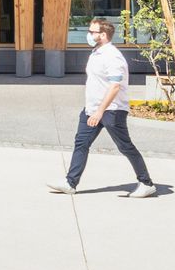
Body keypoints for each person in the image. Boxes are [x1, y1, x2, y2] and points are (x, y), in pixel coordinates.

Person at [48, 18, 156, 197]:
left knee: (125, 146)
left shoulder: (112, 56)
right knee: (81, 143)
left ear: (103, 35)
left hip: (112, 110)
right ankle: (70, 182)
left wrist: (100, 112)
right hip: (92, 109)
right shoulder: (96, 53)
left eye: (92, 32)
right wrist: (93, 109)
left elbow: (115, 86)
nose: (88, 35)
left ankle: (146, 183)